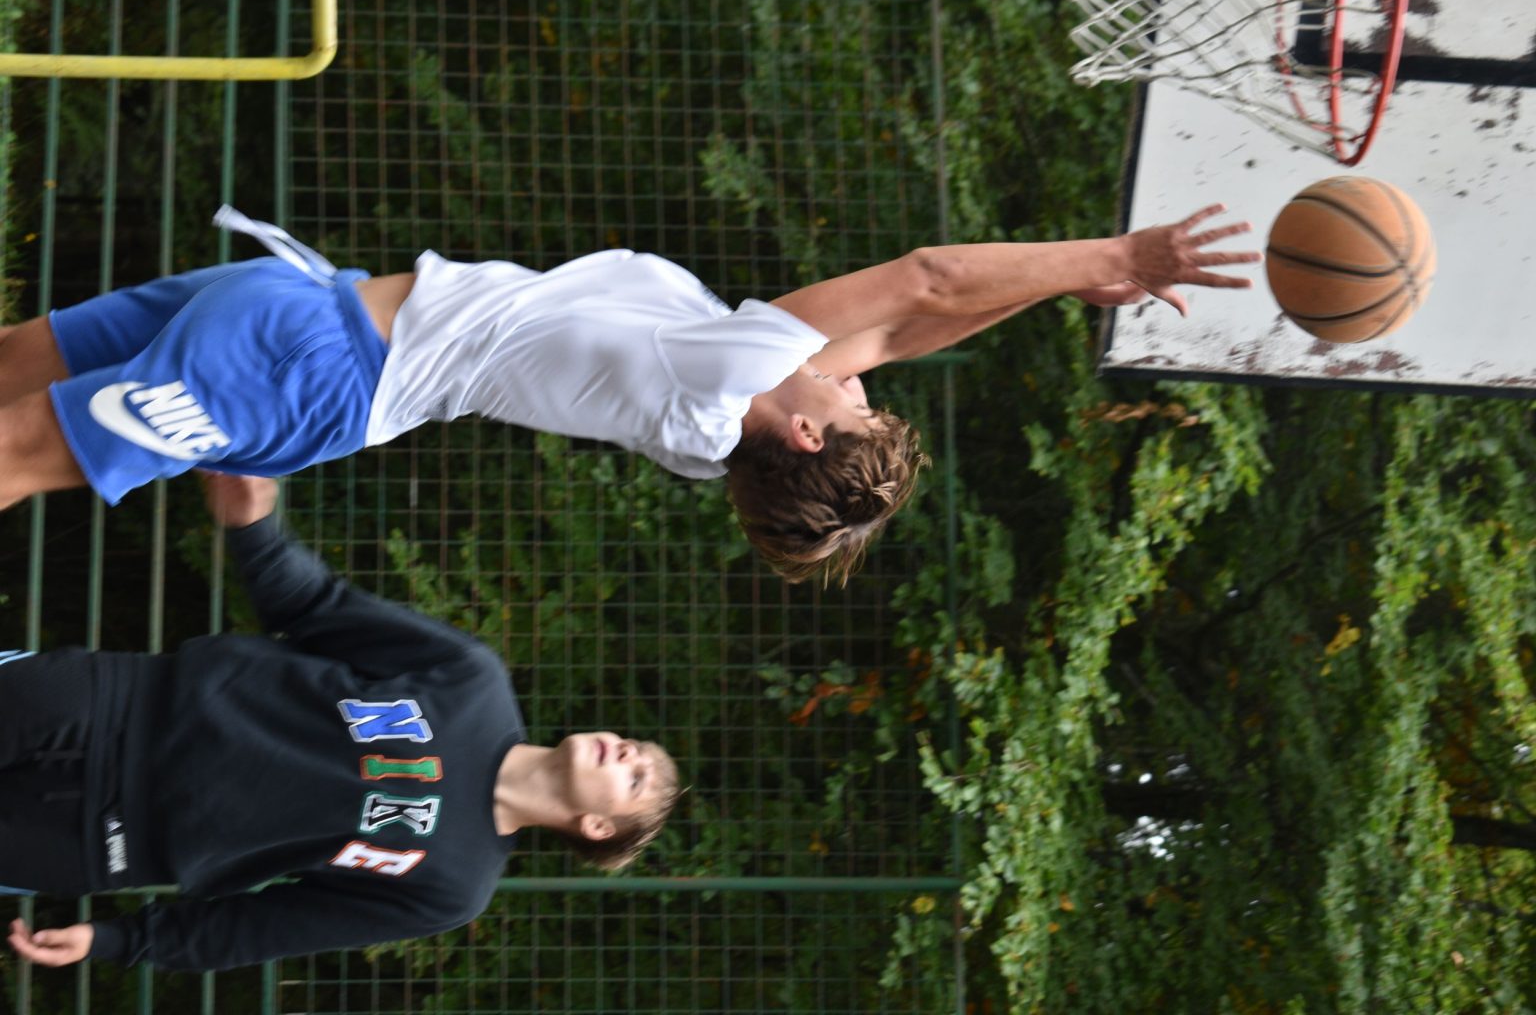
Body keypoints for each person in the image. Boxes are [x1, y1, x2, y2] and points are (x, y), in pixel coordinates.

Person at [0, 204, 1260, 582]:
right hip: (304, 312)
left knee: (11, 450)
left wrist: (1119, 254)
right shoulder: (713, 425)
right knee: (10, 371)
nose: (854, 370)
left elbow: (921, 280)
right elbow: (913, 325)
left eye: (851, 398)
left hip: (310, 362)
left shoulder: (723, 373)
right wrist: (1068, 288)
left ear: (803, 425)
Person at [2, 473, 680, 972]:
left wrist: (119, 940)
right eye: (634, 745)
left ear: (596, 827)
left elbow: (267, 926)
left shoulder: (453, 888)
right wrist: (254, 528)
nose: (625, 750)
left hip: (108, 841)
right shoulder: (473, 679)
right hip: (114, 705)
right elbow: (317, 607)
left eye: (636, 776)